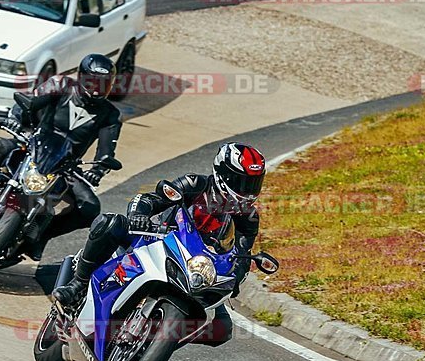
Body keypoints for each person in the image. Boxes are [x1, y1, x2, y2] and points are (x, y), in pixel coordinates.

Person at [52, 143, 267, 343]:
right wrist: (139, 215)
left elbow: (242, 255)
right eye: (242, 182)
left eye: (253, 184)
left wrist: (234, 279)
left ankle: (158, 342)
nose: (248, 191)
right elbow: (150, 199)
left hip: (197, 270)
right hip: (156, 241)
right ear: (223, 174)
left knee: (222, 329)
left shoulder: (248, 218)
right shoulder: (194, 184)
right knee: (109, 223)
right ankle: (78, 284)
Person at [0, 54, 122, 260]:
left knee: (90, 207)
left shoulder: (111, 115)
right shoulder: (61, 85)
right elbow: (31, 101)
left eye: (104, 85)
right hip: (33, 143)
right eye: (93, 82)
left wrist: (98, 170)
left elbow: (106, 152)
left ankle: (42, 237)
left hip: (65, 165)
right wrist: (16, 119)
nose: (96, 89)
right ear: (81, 77)